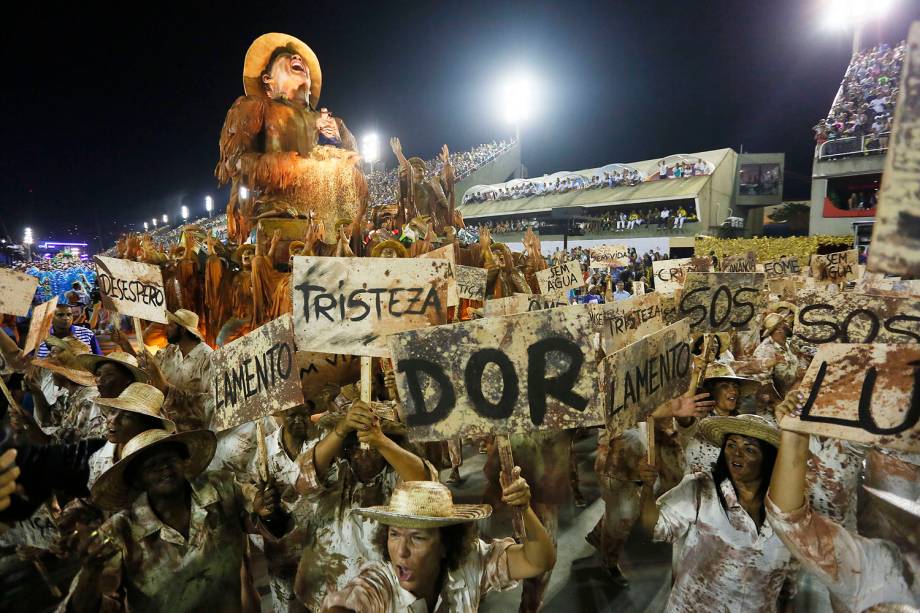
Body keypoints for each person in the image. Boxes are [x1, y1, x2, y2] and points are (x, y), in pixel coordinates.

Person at [63, 428, 287, 612]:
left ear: (184, 462)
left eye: (170, 459)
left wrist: (268, 512)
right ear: (137, 481)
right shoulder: (122, 531)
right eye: (151, 466)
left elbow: (270, 523)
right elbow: (89, 607)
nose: (164, 468)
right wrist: (90, 572)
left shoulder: (220, 488)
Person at [767, 393, 919, 610]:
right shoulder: (882, 568)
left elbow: (884, 441)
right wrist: (793, 432)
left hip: (837, 537)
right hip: (809, 547)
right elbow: (787, 518)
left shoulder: (846, 442)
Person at [322, 474, 556, 612]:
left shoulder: (472, 562)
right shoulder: (378, 582)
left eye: (418, 537)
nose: (401, 552)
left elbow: (538, 561)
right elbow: (355, 599)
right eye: (394, 534)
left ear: (445, 544)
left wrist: (524, 509)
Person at [293, 397, 437, 610]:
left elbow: (426, 486)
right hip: (328, 597)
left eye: (371, 444)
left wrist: (380, 440)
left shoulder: (396, 473)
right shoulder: (334, 471)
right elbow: (301, 481)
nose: (363, 450)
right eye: (354, 442)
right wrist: (341, 429)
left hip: (385, 599)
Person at [643, 414, 794, 612]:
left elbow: (788, 573)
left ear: (769, 459)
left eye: (749, 449)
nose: (736, 454)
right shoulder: (701, 488)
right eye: (731, 445)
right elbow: (656, 528)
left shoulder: (786, 509)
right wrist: (645, 488)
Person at [35, 303, 102, 358]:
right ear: (51, 318)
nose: (66, 318)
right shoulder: (39, 338)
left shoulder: (87, 334)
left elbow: (100, 359)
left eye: (69, 314)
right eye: (60, 315)